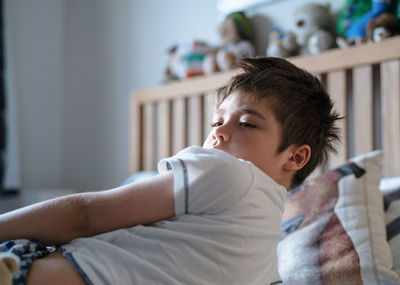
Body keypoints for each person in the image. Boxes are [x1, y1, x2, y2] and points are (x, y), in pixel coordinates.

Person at [0, 57, 341, 285]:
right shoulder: (267, 265)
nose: (219, 133)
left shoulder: (229, 173)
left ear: (296, 158)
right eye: (217, 121)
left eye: (247, 124)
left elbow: (84, 214)